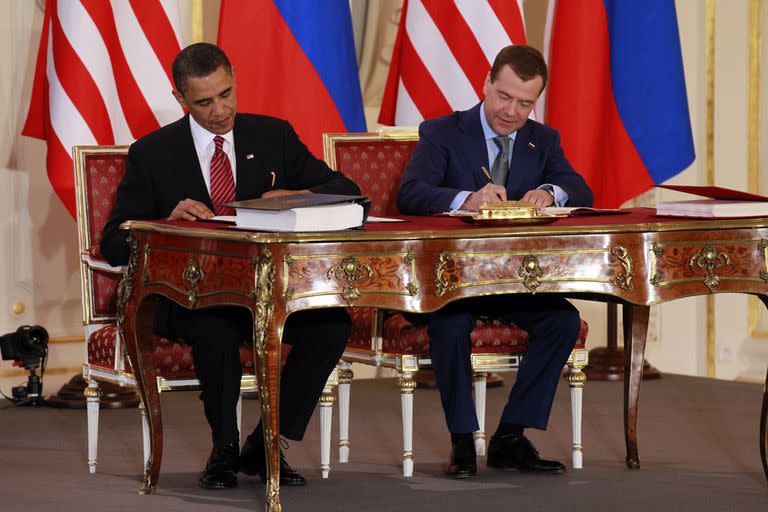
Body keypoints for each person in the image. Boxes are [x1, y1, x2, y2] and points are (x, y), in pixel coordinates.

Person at [100, 43, 361, 490]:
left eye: (226, 94)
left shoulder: (272, 136)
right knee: (214, 326)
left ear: (233, 79)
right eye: (204, 102)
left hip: (267, 293)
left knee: (331, 325)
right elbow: (114, 243)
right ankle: (223, 450)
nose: (220, 110)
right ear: (182, 98)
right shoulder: (154, 152)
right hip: (189, 297)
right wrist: (164, 223)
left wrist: (291, 197)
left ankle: (264, 445)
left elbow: (346, 189)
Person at [396, 44, 594, 478]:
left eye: (525, 103)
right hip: (452, 281)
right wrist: (467, 198)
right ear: (487, 84)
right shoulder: (443, 132)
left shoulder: (543, 139)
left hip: (511, 280)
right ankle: (463, 440)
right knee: (450, 325)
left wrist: (552, 192)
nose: (512, 112)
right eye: (504, 97)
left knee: (561, 321)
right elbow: (409, 193)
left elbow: (579, 189)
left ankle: (510, 436)